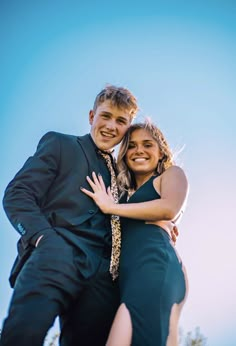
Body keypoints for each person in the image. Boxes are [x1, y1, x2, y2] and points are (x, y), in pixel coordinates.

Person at [0, 86, 177, 346]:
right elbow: (18, 194)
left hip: (103, 281)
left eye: (120, 121)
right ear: (91, 116)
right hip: (56, 252)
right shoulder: (61, 144)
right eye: (105, 116)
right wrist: (43, 238)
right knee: (22, 335)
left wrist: (160, 224)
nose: (110, 126)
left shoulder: (124, 178)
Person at [81, 120, 189, 346]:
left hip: (154, 266)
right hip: (131, 278)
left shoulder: (171, 175)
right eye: (131, 145)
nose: (139, 150)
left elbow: (169, 208)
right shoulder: (122, 195)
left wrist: (111, 207)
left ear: (161, 152)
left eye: (147, 144)